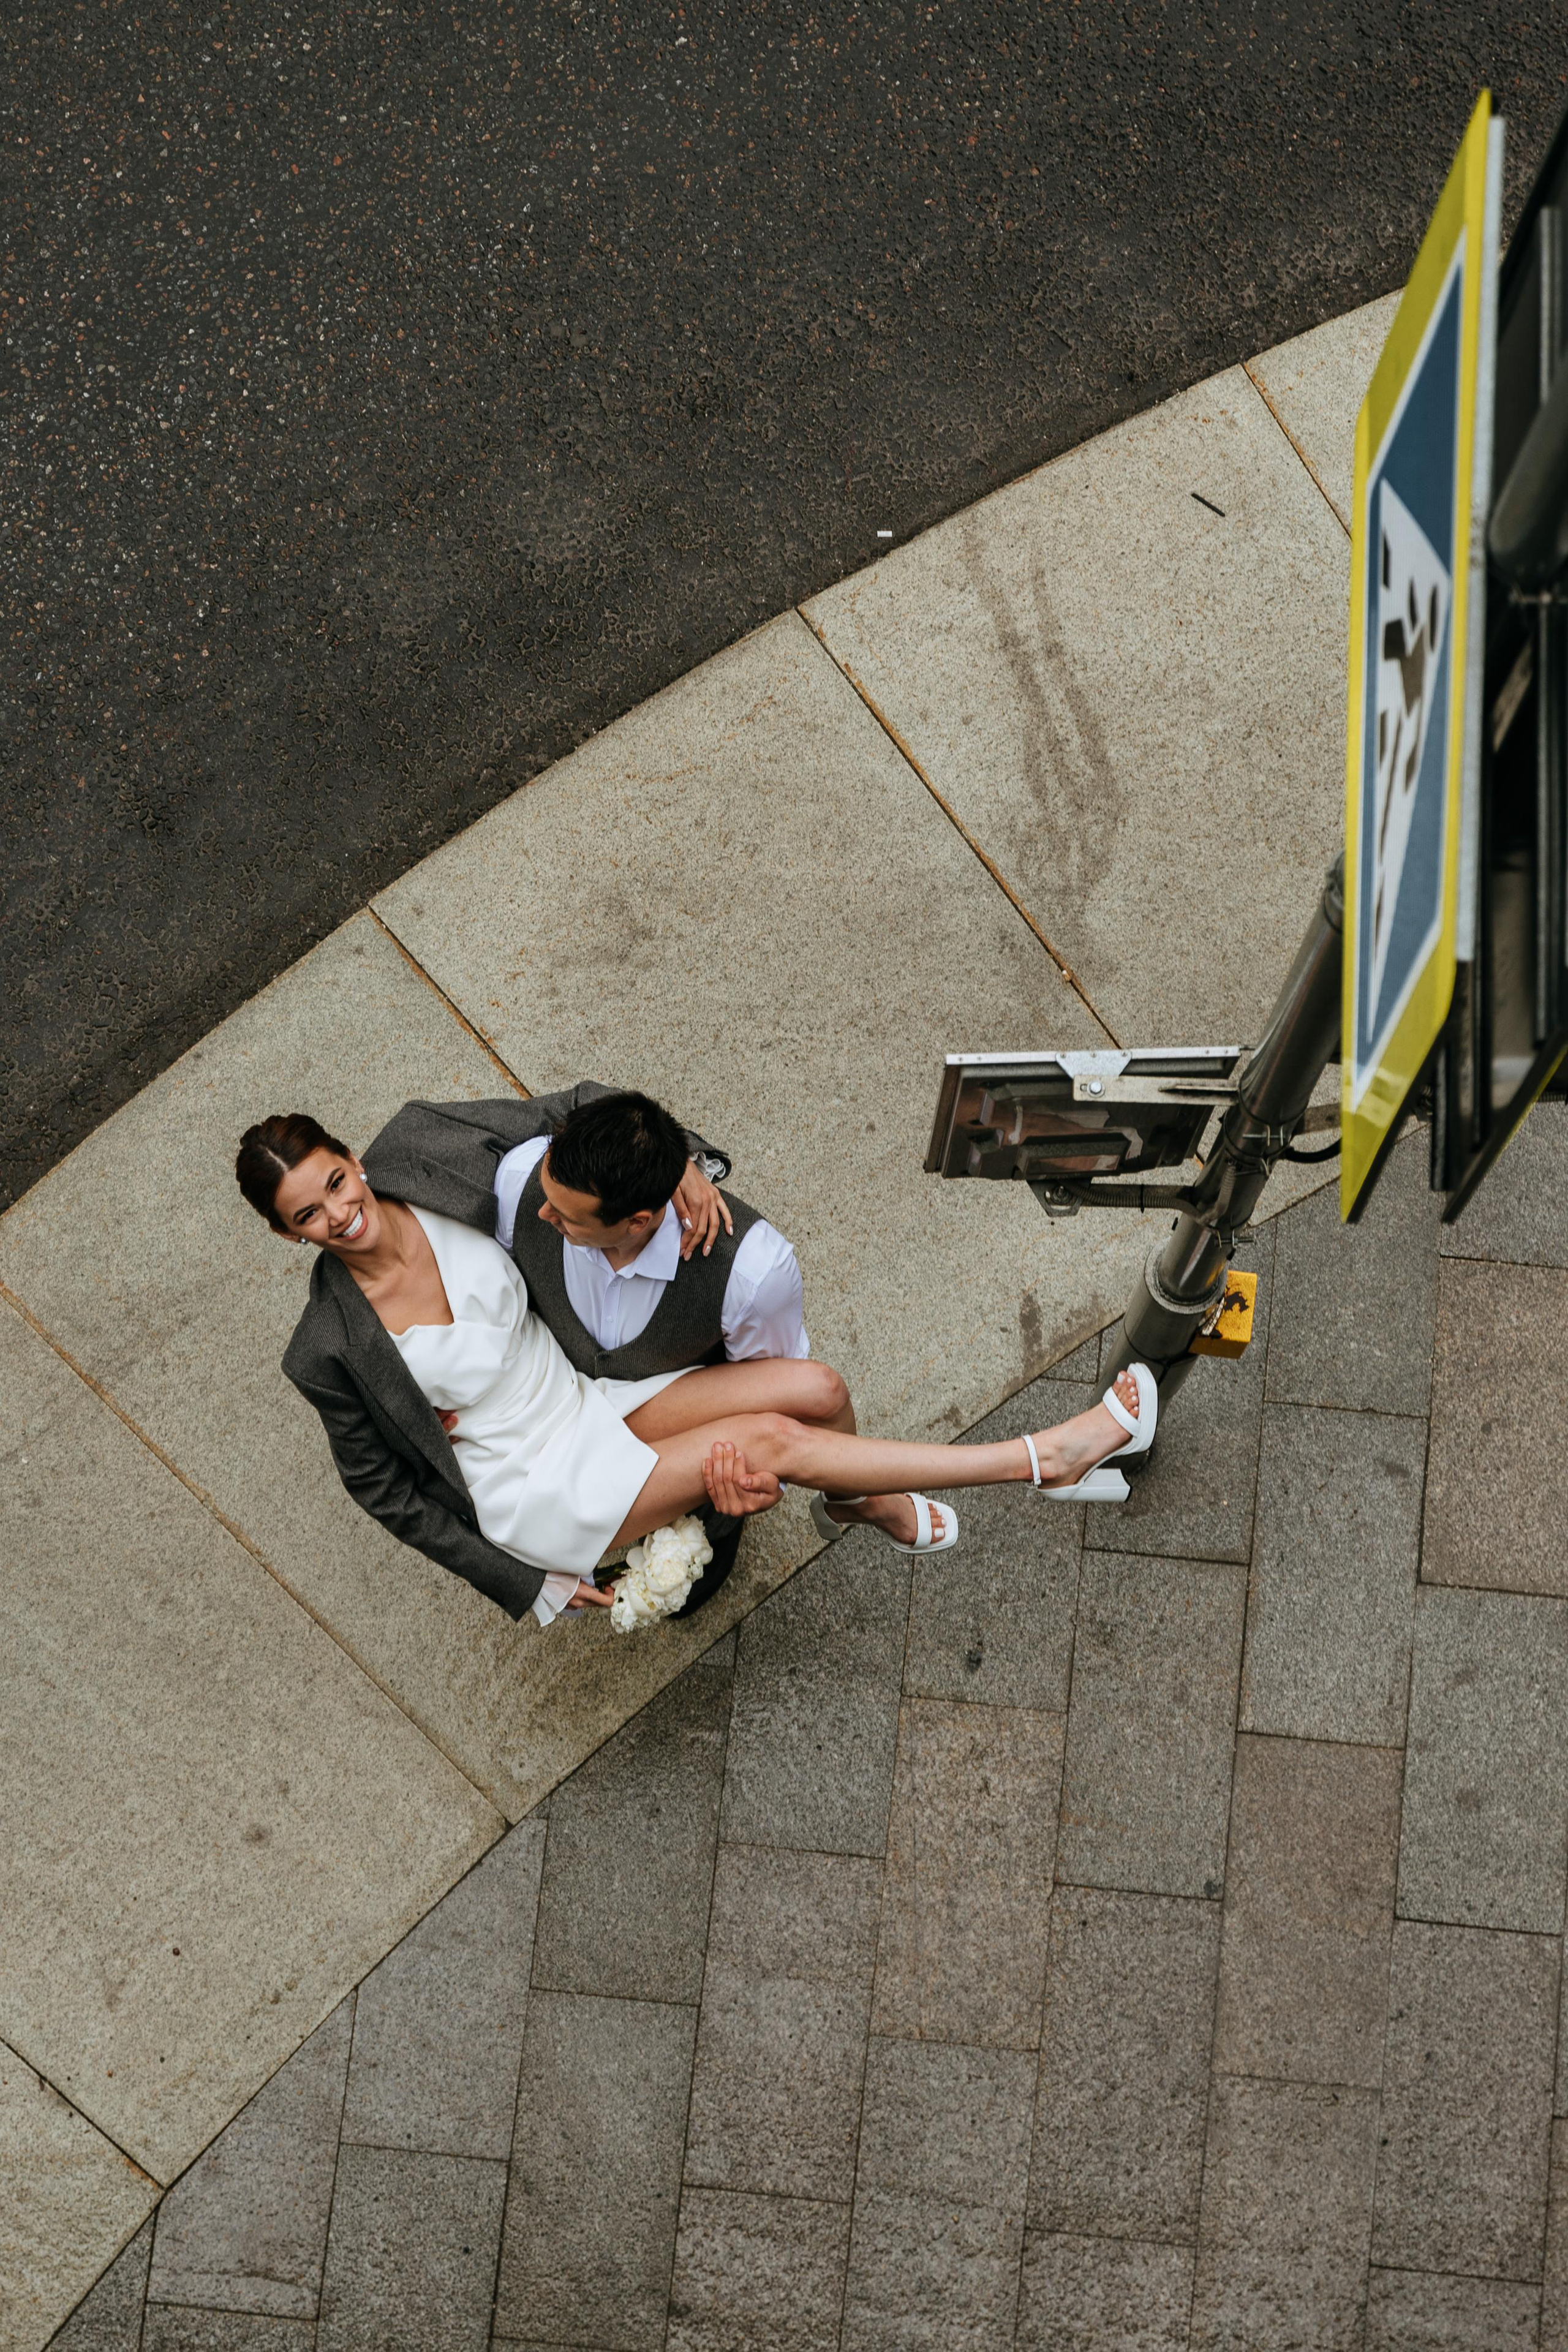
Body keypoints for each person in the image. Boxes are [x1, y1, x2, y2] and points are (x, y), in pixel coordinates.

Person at [235, 1105, 1155, 1634]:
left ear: (354, 1158)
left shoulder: (424, 1150)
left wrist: (679, 1160)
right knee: (771, 1439)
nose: (338, 1214)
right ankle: (1043, 1458)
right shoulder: (325, 1345)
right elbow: (381, 1491)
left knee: (817, 1389)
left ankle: (856, 1501)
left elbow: (586, 1112)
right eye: (308, 1216)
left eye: (334, 1183)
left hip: (586, 1400)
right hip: (531, 1483)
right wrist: (523, 1582)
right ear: (288, 1237)